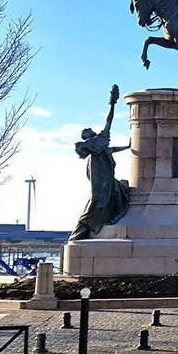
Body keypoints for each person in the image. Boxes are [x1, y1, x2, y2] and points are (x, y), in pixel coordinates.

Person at [69, 85, 131, 241]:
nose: (91, 128)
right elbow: (108, 121)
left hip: (103, 177)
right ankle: (84, 226)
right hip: (101, 178)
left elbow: (111, 150)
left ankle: (86, 226)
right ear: (87, 135)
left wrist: (128, 146)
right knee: (98, 201)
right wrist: (112, 105)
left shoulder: (99, 145)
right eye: (88, 129)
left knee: (115, 192)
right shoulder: (96, 142)